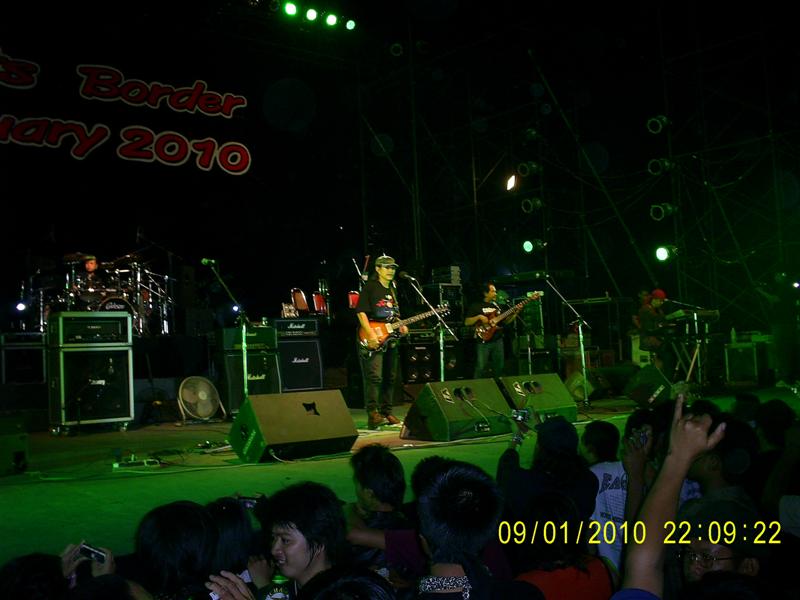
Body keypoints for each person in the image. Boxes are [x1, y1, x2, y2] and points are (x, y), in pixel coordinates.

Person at [356, 254, 408, 430]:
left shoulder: (392, 289)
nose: (391, 270)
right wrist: (370, 333)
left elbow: (393, 314)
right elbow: (361, 312)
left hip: (390, 338)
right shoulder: (370, 287)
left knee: (390, 377)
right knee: (375, 377)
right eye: (387, 267)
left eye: (393, 268)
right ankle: (373, 414)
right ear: (378, 269)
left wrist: (401, 324)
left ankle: (386, 412)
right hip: (373, 334)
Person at [464, 282, 515, 379]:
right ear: (485, 293)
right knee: (481, 366)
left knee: (499, 367)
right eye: (493, 291)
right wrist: (479, 317)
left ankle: (499, 385)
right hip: (483, 341)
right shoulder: (476, 306)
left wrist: (515, 313)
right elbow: (467, 322)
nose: (495, 294)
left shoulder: (497, 306)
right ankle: (477, 385)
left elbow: (505, 322)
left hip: (498, 339)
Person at [637, 288, 676, 378]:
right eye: (660, 301)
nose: (661, 303)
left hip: (656, 337)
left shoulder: (657, 310)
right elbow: (650, 328)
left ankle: (666, 376)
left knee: (671, 351)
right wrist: (664, 325)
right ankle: (666, 377)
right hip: (649, 339)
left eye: (662, 301)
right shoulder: (645, 310)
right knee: (668, 355)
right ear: (654, 299)